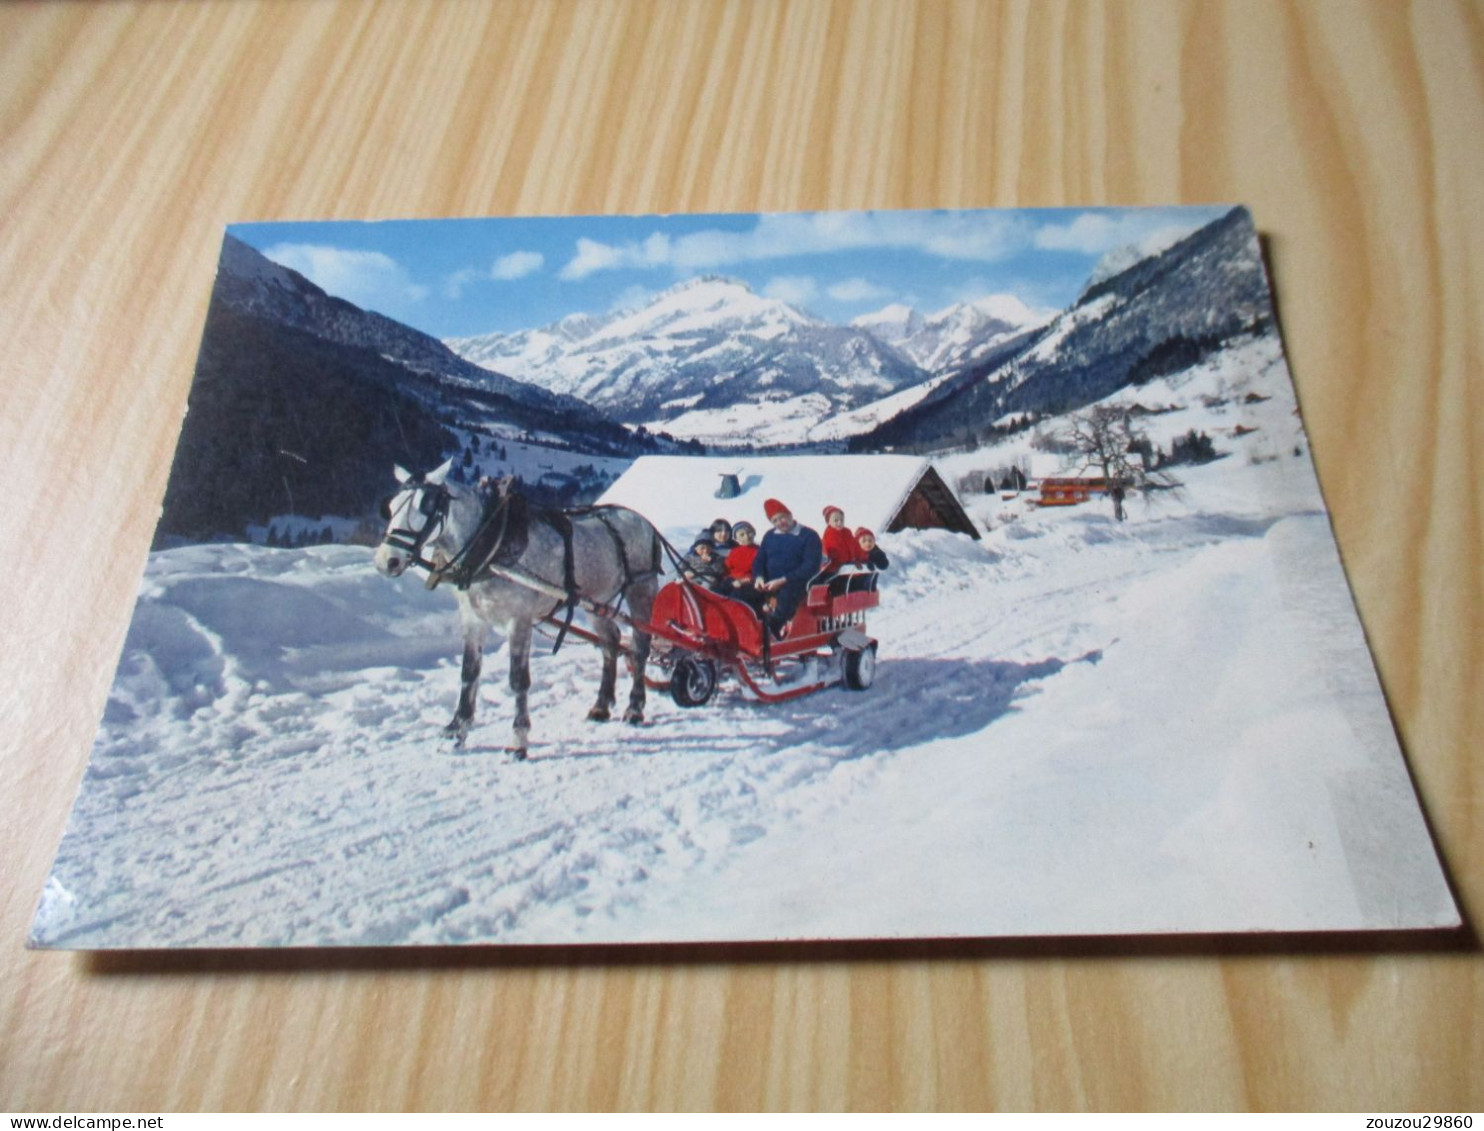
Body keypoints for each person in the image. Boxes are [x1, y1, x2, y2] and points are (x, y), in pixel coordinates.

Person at [752, 498, 822, 638]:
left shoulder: (808, 535)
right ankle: (750, 626)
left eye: (782, 517)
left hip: (797, 581)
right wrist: (759, 577)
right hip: (770, 582)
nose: (780, 523)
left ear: (789, 515)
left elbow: (810, 566)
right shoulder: (770, 536)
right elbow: (759, 560)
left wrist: (783, 580)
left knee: (787, 595)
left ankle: (771, 630)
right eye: (775, 521)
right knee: (743, 593)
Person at [820, 505, 860, 574]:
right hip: (837, 569)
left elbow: (856, 547)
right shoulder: (830, 535)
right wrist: (840, 563)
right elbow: (833, 552)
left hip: (850, 567)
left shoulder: (847, 532)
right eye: (836, 520)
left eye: (841, 520)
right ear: (828, 522)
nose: (839, 522)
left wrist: (859, 558)